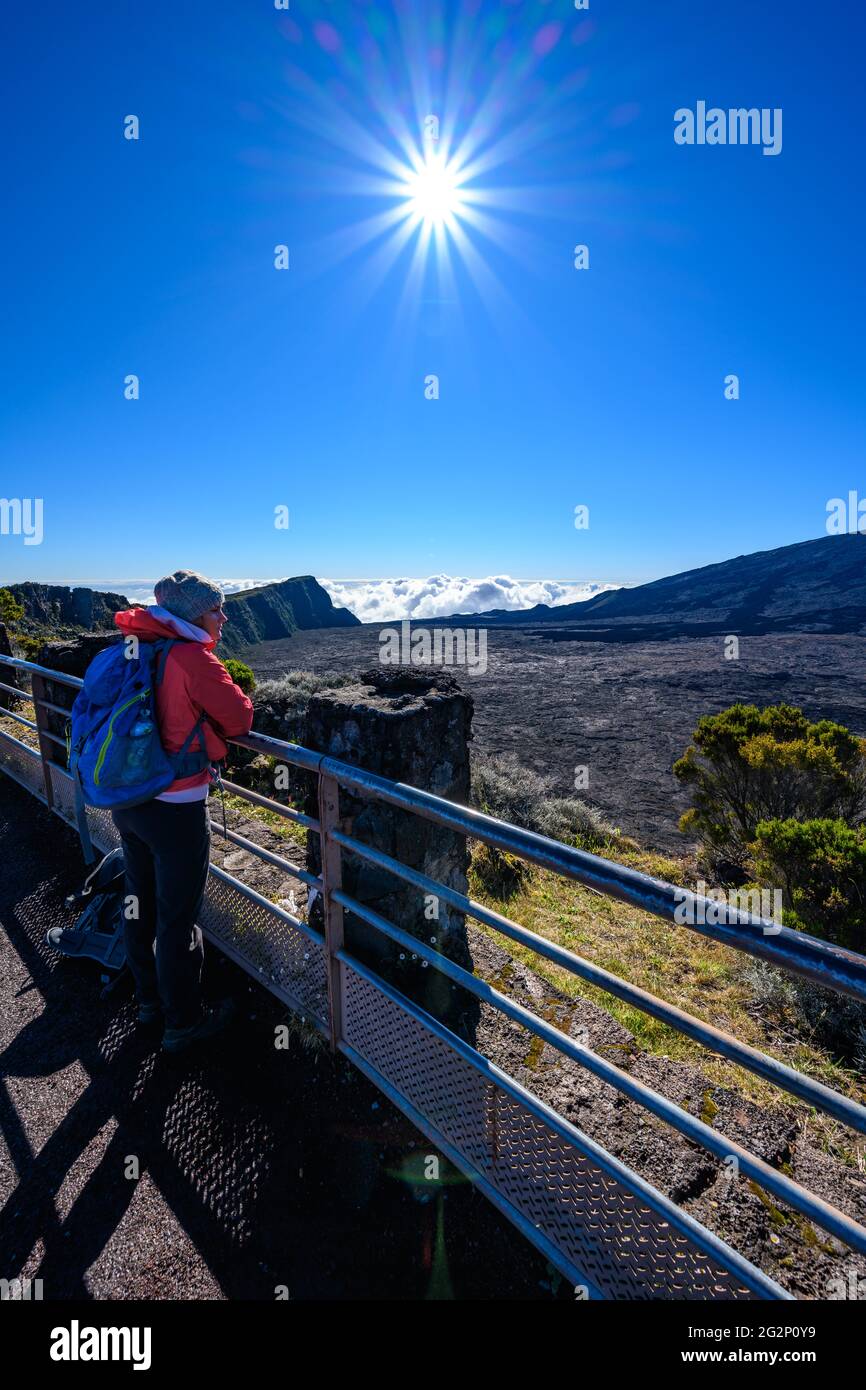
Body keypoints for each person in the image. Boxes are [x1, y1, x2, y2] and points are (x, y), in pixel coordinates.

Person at [111, 570, 254, 1053]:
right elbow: (240, 718)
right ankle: (183, 1022)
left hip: (130, 802)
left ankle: (149, 1003)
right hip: (176, 810)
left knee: (140, 903)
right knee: (176, 919)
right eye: (216, 608)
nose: (224, 615)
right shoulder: (193, 657)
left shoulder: (138, 645)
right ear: (193, 614)